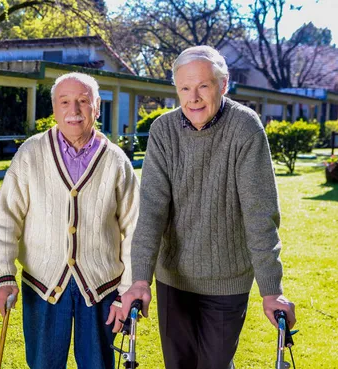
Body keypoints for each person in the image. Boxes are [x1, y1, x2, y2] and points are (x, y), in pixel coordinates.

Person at [121, 46, 297, 369]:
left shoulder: (246, 128)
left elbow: (260, 215)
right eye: (185, 88)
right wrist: (140, 279)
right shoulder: (163, 132)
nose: (194, 98)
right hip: (174, 278)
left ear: (223, 84)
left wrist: (272, 289)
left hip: (227, 280)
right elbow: (151, 212)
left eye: (203, 86)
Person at [0, 72, 140, 369]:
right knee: (43, 364)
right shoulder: (31, 153)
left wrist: (126, 291)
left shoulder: (116, 161)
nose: (74, 111)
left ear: (97, 107)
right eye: (65, 102)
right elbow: (7, 216)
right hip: (42, 284)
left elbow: (135, 228)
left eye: (83, 101)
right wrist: (4, 275)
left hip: (101, 287)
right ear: (54, 108)